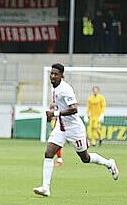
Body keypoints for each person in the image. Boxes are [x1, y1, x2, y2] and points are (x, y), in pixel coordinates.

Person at [33, 63, 118, 197]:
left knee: (85, 158)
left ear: (62, 76)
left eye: (56, 74)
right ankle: (45, 187)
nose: (53, 76)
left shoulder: (65, 89)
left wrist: (54, 114)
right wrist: (53, 110)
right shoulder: (54, 88)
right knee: (49, 153)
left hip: (74, 129)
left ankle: (109, 163)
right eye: (52, 74)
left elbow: (74, 109)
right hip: (61, 128)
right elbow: (58, 105)